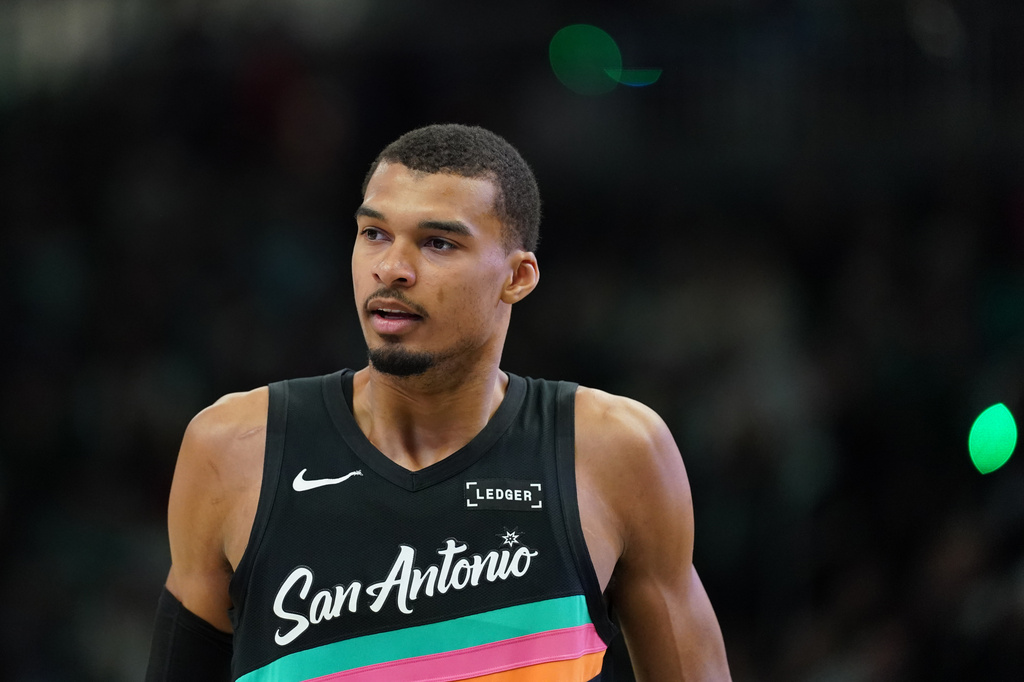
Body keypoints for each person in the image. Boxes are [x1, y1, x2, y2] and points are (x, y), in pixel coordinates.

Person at [146, 123, 731, 682]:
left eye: (437, 243)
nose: (392, 268)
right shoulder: (233, 447)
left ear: (518, 277)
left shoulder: (616, 451)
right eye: (374, 233)